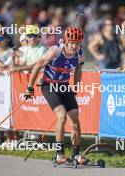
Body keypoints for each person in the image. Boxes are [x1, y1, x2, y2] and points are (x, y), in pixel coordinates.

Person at [24, 26, 87, 164]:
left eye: (78, 43)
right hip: (49, 85)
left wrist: (75, 88)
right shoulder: (55, 51)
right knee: (61, 115)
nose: (75, 46)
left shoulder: (80, 54)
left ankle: (76, 154)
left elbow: (78, 70)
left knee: (75, 120)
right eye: (72, 43)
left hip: (64, 85)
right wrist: (29, 88)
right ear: (66, 40)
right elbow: (36, 66)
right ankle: (59, 153)